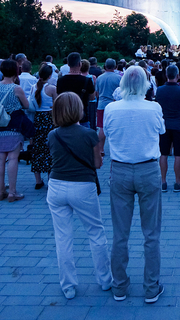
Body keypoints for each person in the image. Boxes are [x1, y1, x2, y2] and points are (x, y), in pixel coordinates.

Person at [103, 66, 166, 304]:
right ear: (145, 84)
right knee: (151, 233)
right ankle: (151, 287)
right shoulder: (154, 107)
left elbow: (107, 133)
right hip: (148, 169)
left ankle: (119, 286)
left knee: (120, 233)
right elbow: (161, 131)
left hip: (119, 170)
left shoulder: (111, 108)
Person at [46, 92, 111, 300]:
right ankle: (105, 279)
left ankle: (68, 285)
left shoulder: (52, 135)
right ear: (78, 110)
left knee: (63, 237)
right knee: (95, 232)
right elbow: (97, 164)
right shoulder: (89, 134)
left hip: (56, 186)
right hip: (83, 186)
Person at [0, 60, 31, 202]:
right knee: (13, 158)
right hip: (14, 125)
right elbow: (26, 105)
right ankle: (12, 192)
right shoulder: (16, 88)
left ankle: (1, 190)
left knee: (0, 158)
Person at [156, 66, 180, 193]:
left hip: (164, 125)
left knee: (163, 154)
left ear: (166, 75)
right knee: (178, 154)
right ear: (177, 76)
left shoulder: (159, 90)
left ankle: (163, 182)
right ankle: (177, 182)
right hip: (179, 125)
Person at [30, 64, 58, 189]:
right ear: (50, 75)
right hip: (49, 119)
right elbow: (57, 105)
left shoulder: (33, 87)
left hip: (38, 119)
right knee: (50, 148)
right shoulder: (52, 89)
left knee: (37, 149)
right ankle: (50, 177)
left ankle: (38, 180)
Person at [57, 53, 95, 127]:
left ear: (68, 64)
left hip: (65, 117)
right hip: (82, 117)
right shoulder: (87, 81)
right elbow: (92, 98)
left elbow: (58, 97)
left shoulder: (60, 80)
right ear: (80, 64)